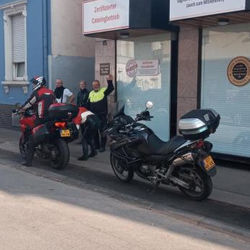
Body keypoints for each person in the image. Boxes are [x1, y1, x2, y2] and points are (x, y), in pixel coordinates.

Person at [19, 76, 55, 166]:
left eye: (35, 82)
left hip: (41, 119)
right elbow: (56, 102)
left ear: (39, 83)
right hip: (52, 118)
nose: (33, 84)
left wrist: (20, 110)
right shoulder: (51, 92)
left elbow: (29, 103)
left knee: (32, 139)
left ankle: (28, 162)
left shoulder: (37, 93)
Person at [88, 74, 114, 152]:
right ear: (92, 86)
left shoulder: (103, 90)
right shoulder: (91, 93)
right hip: (93, 116)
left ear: (99, 85)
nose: (95, 86)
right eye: (94, 85)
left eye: (96, 85)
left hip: (102, 115)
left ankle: (102, 147)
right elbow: (88, 104)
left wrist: (109, 81)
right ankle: (97, 146)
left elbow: (111, 88)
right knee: (95, 131)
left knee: (102, 131)